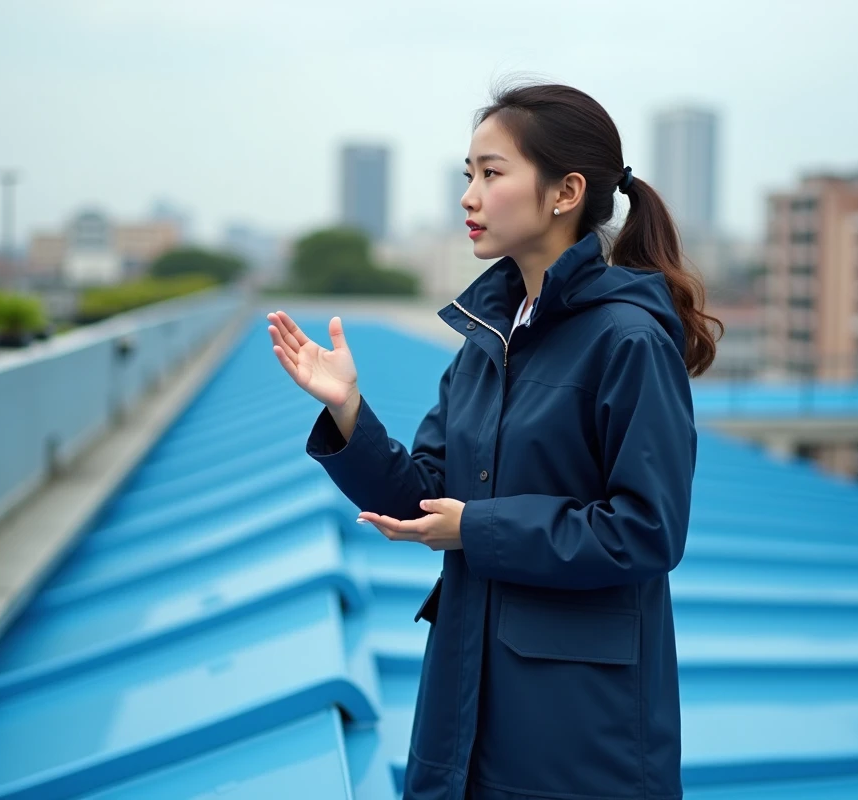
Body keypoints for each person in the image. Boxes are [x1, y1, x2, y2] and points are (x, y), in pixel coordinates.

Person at [268, 82, 720, 800]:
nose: (469, 196)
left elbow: (648, 530)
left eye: (491, 173)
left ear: (565, 191)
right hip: (463, 704)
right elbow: (425, 500)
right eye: (467, 175)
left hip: (576, 736)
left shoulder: (629, 341)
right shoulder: (488, 338)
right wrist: (349, 410)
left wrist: (476, 527)